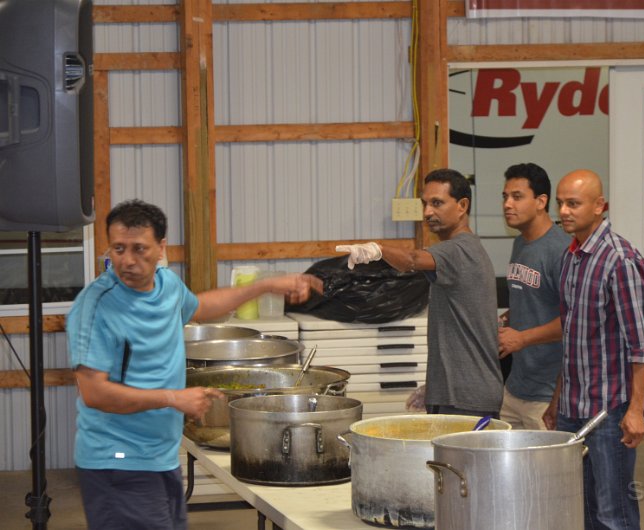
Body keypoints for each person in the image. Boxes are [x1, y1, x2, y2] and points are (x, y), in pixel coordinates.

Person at [67, 199, 322, 530]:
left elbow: (198, 307)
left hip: (159, 455)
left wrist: (265, 286)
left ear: (161, 248)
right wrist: (174, 398)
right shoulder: (97, 307)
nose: (128, 260)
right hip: (118, 461)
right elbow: (94, 392)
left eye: (139, 249)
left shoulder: (166, 284)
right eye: (118, 248)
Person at [337, 169, 503, 418]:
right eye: (425, 204)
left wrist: (377, 250)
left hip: (467, 400)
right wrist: (435, 388)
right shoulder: (457, 251)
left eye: (437, 203)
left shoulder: (459, 250)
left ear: (462, 206)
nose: (427, 212)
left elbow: (412, 260)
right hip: (456, 395)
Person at [543, 169, 644, 530]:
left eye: (573, 203)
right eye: (561, 202)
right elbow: (573, 337)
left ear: (599, 206)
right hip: (574, 408)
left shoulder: (619, 261)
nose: (564, 211)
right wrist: (557, 400)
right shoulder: (571, 258)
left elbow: (642, 346)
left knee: (613, 514)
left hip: (610, 412)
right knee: (585, 511)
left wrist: (636, 411)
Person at [498, 163, 570, 429]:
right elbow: (529, 302)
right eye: (505, 197)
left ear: (541, 201)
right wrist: (502, 322)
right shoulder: (520, 242)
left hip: (547, 395)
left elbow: (574, 320)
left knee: (544, 472)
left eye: (517, 197)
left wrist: (522, 338)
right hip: (515, 387)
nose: (507, 204)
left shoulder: (561, 251)